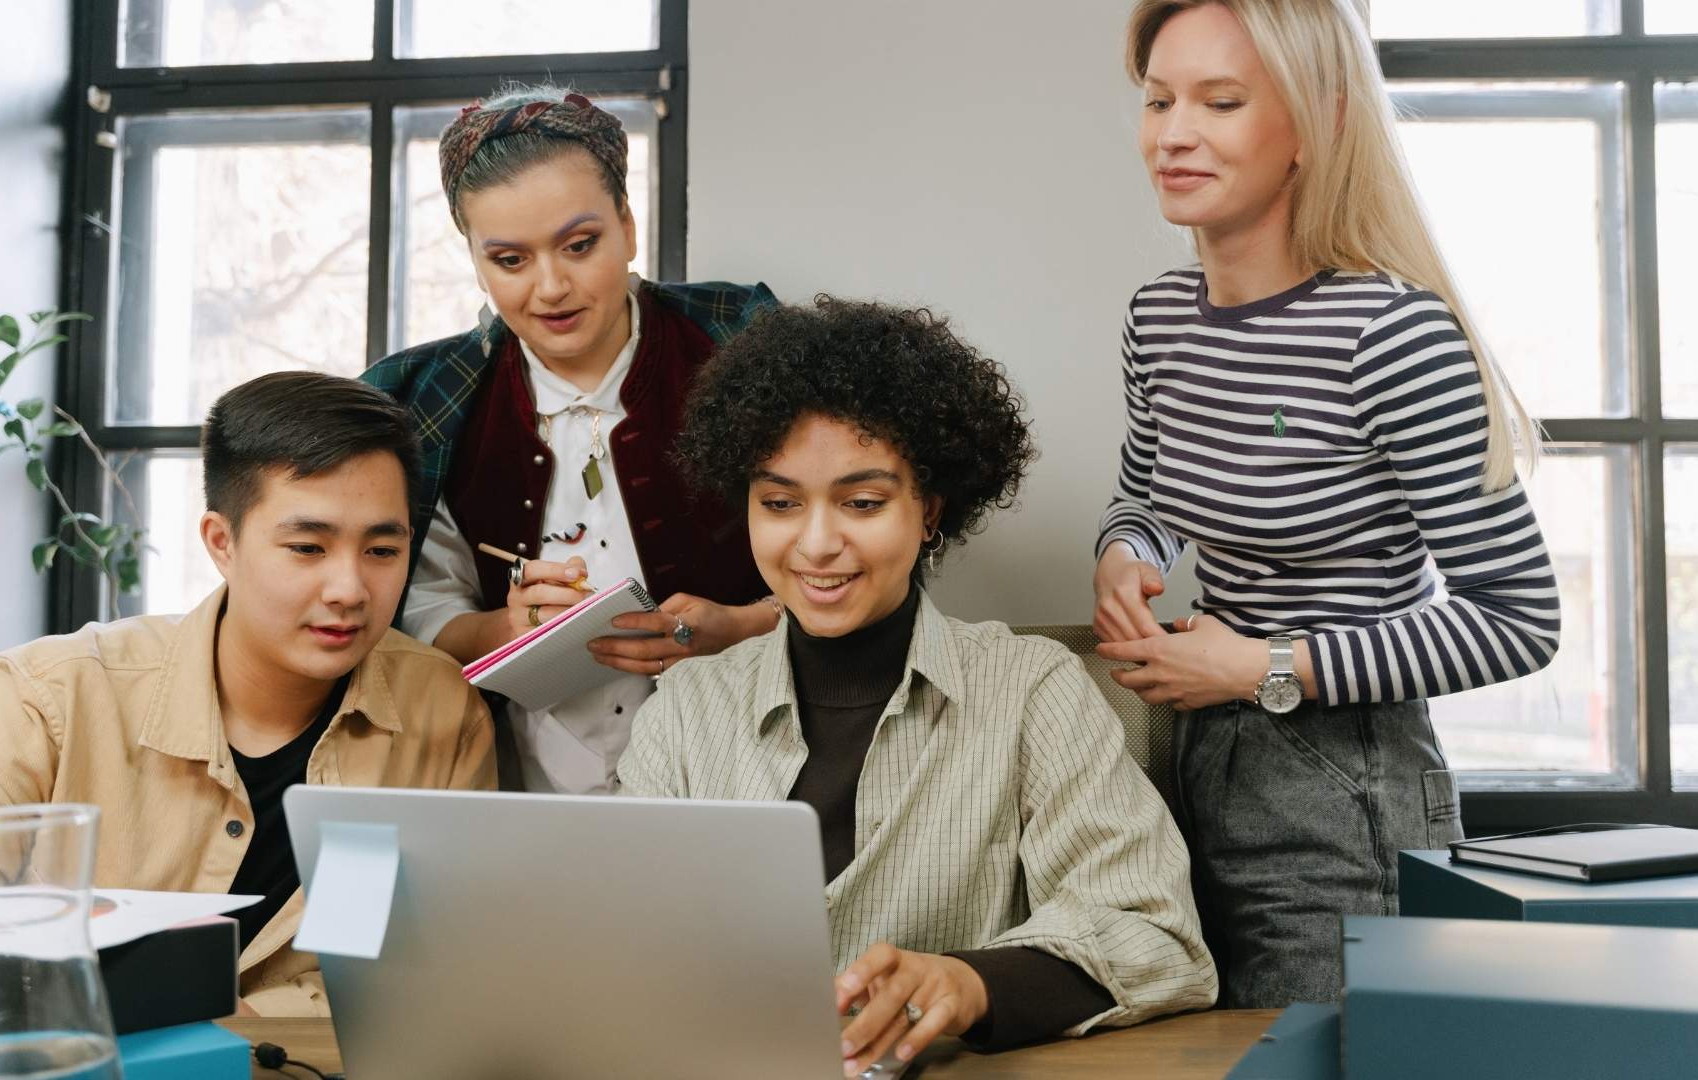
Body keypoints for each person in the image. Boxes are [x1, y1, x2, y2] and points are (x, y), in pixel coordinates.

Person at [1094, 0, 1562, 1008]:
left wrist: (1260, 666)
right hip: (1189, 765)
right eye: (1159, 99)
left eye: (1221, 101)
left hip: (1346, 786)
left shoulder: (1390, 338)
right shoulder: (1160, 318)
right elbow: (1147, 495)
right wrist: (1124, 555)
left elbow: (1518, 622)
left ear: (1316, 122)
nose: (1174, 133)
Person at [619, 298, 1216, 1075]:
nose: (818, 543)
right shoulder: (689, 710)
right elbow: (623, 944)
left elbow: (1159, 938)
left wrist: (967, 984)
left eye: (862, 503)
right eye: (779, 503)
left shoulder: (1031, 691)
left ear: (929, 509)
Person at [0, 371, 495, 1016]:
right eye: (307, 547)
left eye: (381, 549)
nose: (350, 588)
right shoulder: (56, 695)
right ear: (221, 542)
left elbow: (431, 971)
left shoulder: (439, 710)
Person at [363, 84, 782, 795]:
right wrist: (503, 627)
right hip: (524, 785)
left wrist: (739, 629)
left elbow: (857, 553)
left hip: (751, 769)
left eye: (579, 245)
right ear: (474, 257)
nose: (551, 287)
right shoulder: (424, 398)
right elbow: (420, 608)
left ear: (627, 223)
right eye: (510, 260)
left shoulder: (741, 342)